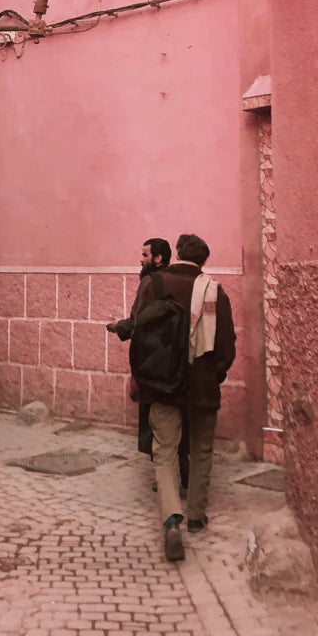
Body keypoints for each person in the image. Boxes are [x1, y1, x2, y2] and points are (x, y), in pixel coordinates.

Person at [132, 233, 235, 562]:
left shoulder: (154, 284)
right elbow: (226, 347)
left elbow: (139, 329)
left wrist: (145, 377)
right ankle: (196, 516)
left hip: (163, 384)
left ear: (176, 253)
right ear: (204, 260)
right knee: (201, 449)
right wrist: (212, 375)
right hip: (202, 386)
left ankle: (171, 521)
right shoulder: (215, 291)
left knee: (164, 451)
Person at [106, 239, 190, 489]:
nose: (141, 259)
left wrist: (119, 327)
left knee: (156, 420)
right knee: (180, 417)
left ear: (158, 258)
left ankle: (164, 476)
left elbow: (138, 321)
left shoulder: (149, 283)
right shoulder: (180, 281)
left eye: (145, 255)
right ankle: (182, 464)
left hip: (155, 362)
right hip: (180, 360)